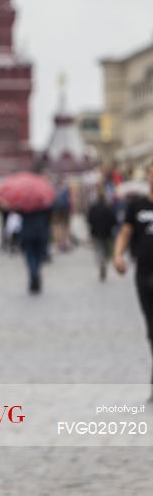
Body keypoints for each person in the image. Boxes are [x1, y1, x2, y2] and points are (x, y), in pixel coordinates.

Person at [113, 164, 153, 400]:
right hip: (145, 274)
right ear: (148, 176)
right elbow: (125, 233)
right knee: (151, 329)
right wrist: (118, 255)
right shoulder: (136, 207)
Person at [87, 190, 118, 281]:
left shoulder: (93, 207)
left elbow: (89, 220)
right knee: (106, 250)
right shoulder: (108, 208)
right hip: (107, 233)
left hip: (96, 233)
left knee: (99, 249)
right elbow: (114, 221)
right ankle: (104, 261)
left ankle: (101, 262)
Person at [20, 208, 52, 294]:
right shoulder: (43, 204)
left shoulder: (25, 203)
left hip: (27, 232)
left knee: (30, 256)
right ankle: (36, 272)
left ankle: (33, 273)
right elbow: (49, 216)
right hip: (40, 232)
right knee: (38, 256)